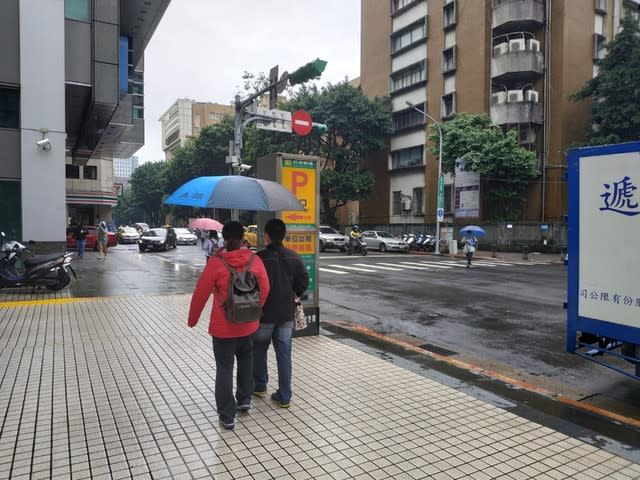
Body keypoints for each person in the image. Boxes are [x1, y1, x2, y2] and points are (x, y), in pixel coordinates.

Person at [187, 221, 270, 430]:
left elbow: (200, 293)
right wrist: (255, 309)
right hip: (249, 325)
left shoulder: (216, 263)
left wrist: (192, 320)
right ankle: (244, 400)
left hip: (223, 329)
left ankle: (227, 415)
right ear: (243, 238)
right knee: (246, 360)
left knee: (224, 368)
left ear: (224, 238)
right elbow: (266, 288)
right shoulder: (255, 260)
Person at [254, 219, 309, 408]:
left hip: (264, 314)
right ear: (283, 235)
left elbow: (252, 284)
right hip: (286, 314)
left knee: (259, 349)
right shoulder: (294, 256)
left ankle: (260, 385)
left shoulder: (259, 258)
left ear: (266, 236)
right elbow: (303, 280)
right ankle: (284, 396)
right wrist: (294, 294)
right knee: (284, 354)